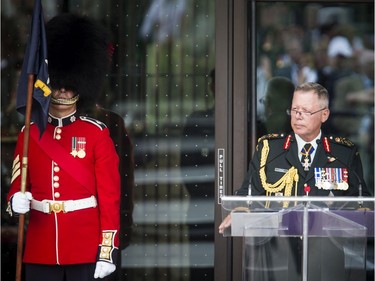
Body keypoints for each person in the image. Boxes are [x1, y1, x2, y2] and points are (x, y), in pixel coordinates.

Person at [6, 14, 121, 281]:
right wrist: (15, 201)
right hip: (40, 248)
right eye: (58, 85)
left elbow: (109, 200)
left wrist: (107, 250)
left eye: (69, 87)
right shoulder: (29, 134)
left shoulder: (96, 134)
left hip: (84, 247)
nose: (62, 92)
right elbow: (18, 183)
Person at [219, 82, 371, 281]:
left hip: (326, 255)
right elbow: (248, 193)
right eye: (295, 109)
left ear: (324, 114)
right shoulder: (269, 150)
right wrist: (238, 210)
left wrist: (363, 212)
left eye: (306, 111)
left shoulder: (343, 153)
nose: (298, 116)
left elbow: (361, 201)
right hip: (278, 253)